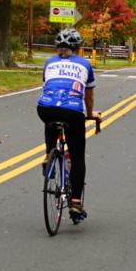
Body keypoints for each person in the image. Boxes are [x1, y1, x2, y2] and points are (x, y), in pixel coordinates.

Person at [37, 27, 100, 222]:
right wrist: (90, 114)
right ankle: (75, 202)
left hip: (45, 109)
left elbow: (48, 86)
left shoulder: (49, 63)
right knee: (77, 157)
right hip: (72, 112)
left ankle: (49, 155)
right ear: (78, 47)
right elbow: (88, 96)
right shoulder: (85, 65)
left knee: (51, 116)